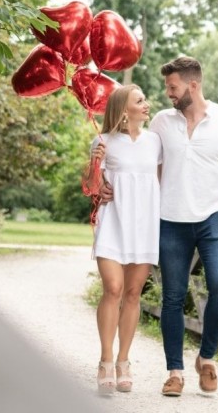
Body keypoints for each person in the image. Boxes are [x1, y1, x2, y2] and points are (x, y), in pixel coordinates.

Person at [98, 56, 218, 397]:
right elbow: (136, 158)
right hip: (170, 219)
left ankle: (207, 357)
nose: (168, 94)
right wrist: (103, 181)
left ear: (193, 85)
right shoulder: (160, 122)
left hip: (213, 216)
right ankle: (175, 372)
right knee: (172, 296)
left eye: (173, 87)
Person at [88, 84, 162, 395]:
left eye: (145, 100)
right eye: (140, 100)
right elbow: (91, 187)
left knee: (132, 293)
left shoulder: (155, 142)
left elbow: (159, 181)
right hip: (113, 222)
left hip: (144, 224)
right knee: (113, 289)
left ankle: (123, 361)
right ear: (123, 110)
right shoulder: (103, 141)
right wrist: (94, 165)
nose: (147, 104)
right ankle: (105, 360)